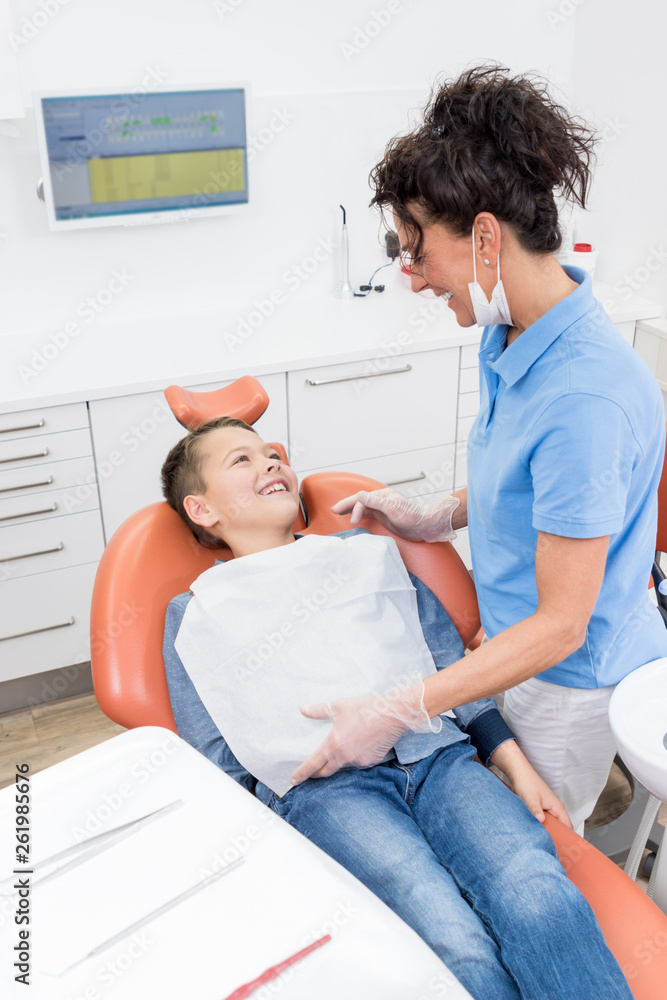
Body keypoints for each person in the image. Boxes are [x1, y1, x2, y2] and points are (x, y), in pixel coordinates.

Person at [291, 64, 667, 835]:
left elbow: (562, 623)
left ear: (485, 238)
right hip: (508, 639)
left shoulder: (583, 398)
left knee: (532, 852)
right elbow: (538, 488)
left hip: (563, 675)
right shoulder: (508, 329)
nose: (413, 278)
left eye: (416, 250)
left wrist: (403, 707)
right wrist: (437, 515)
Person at [159, 414, 632, 1000]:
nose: (270, 462)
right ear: (202, 510)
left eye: (272, 452)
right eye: (242, 460)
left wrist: (515, 764)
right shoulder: (195, 615)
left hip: (440, 759)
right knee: (448, 942)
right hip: (327, 794)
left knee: (536, 891)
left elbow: (446, 665)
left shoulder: (366, 554)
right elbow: (218, 759)